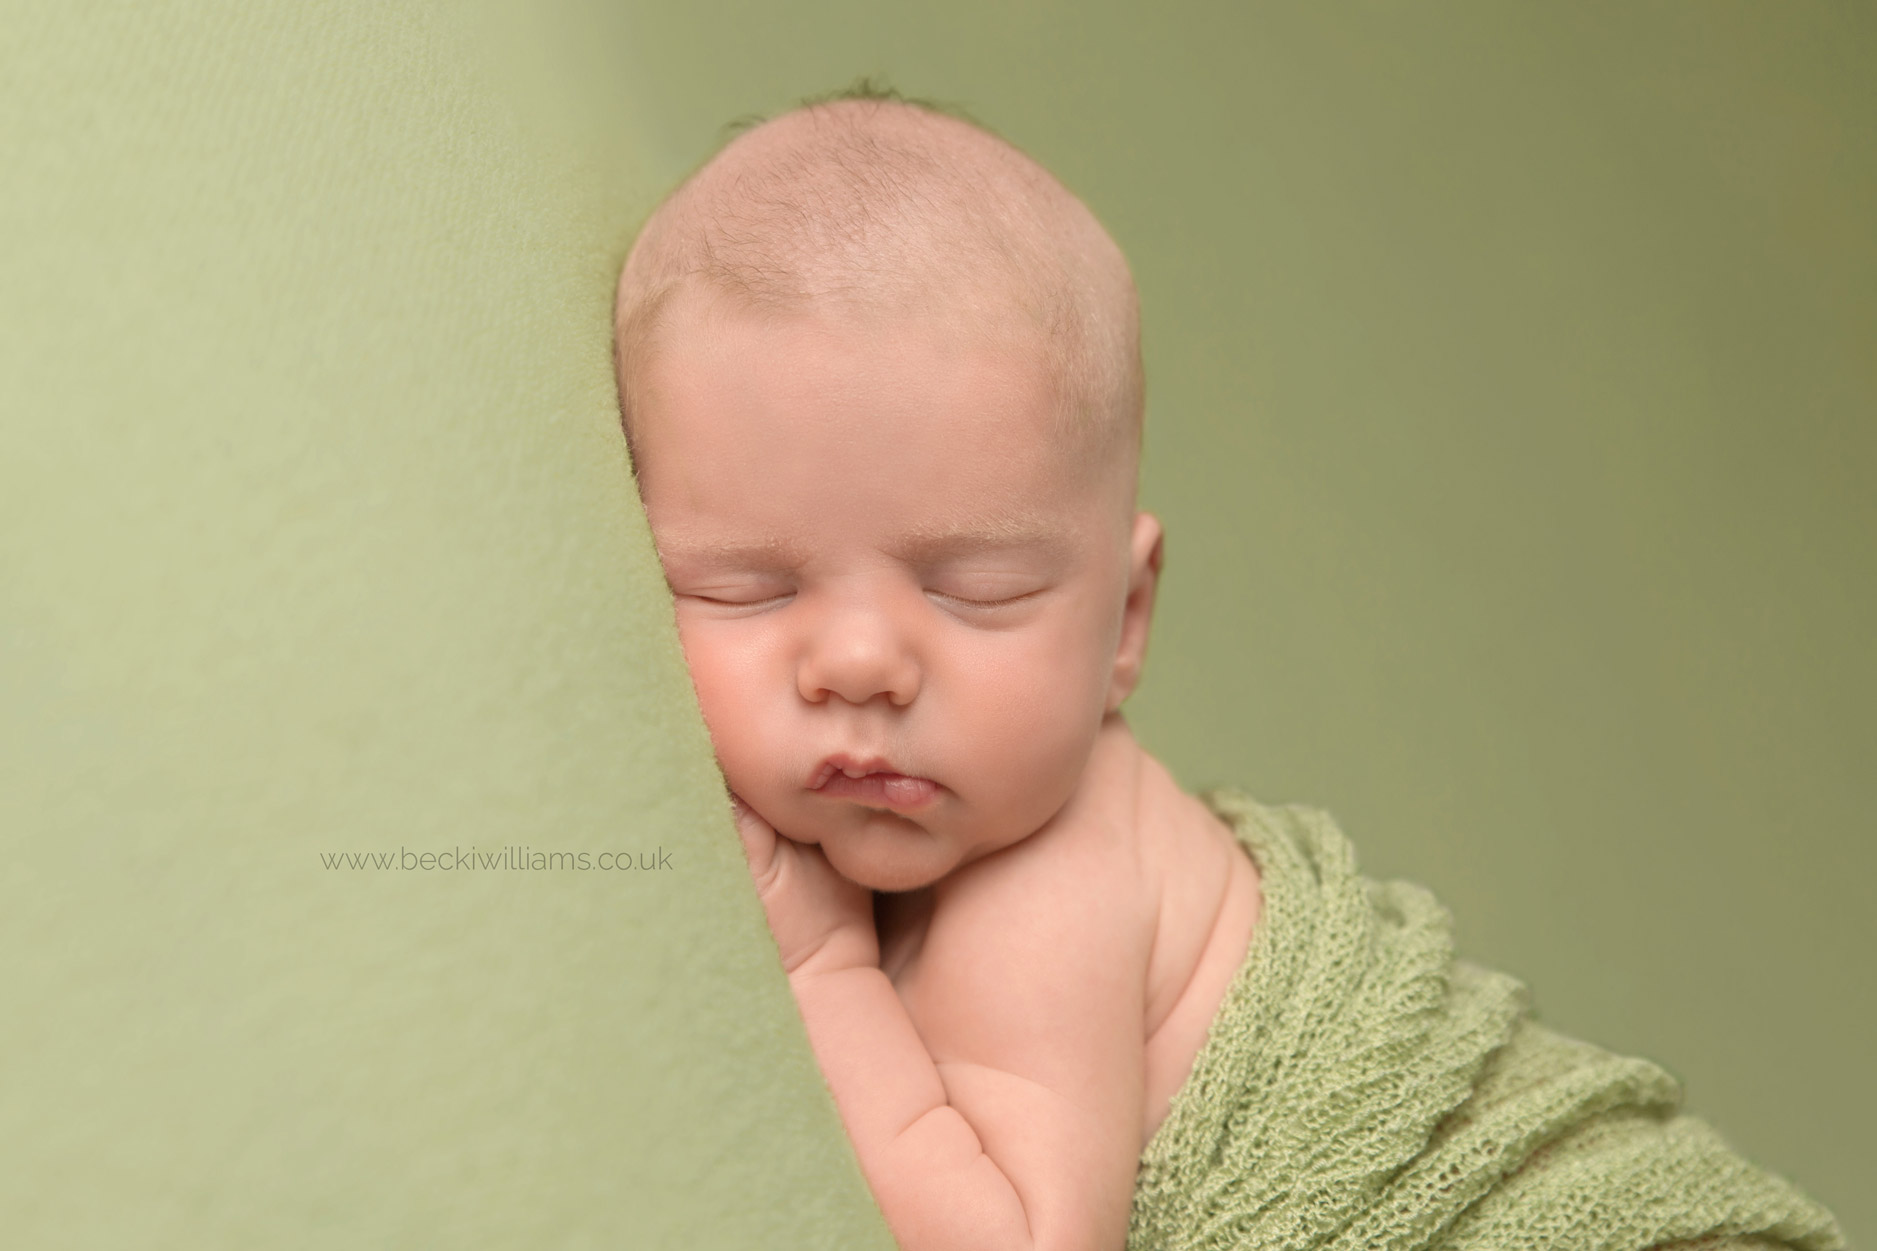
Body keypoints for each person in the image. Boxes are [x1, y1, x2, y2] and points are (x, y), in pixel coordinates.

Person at [613, 87, 1842, 1251]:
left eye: (976, 593)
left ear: (1126, 621)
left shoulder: (1040, 894)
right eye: (746, 590)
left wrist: (818, 974)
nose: (863, 663)